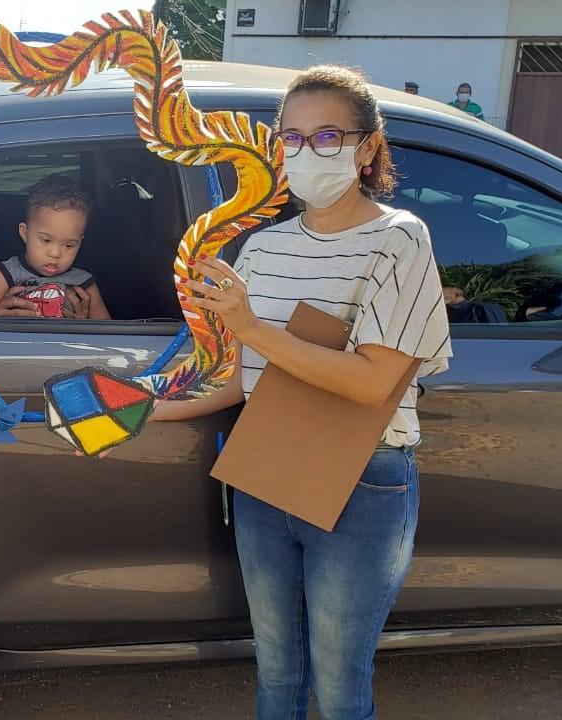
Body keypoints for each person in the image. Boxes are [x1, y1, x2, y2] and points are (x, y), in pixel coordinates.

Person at [152, 65, 452, 720]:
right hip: (266, 472)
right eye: (291, 138)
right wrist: (141, 409)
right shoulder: (263, 249)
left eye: (327, 137)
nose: (305, 152)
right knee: (277, 676)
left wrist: (251, 326)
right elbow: (239, 378)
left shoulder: (398, 239)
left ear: (368, 147)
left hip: (361, 482)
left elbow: (373, 381)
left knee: (341, 689)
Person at [0, 175, 110, 319]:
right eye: (46, 240)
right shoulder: (6, 274)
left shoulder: (83, 283)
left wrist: (81, 325)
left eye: (69, 245)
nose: (55, 253)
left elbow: (105, 331)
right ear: (25, 233)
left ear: (80, 242)